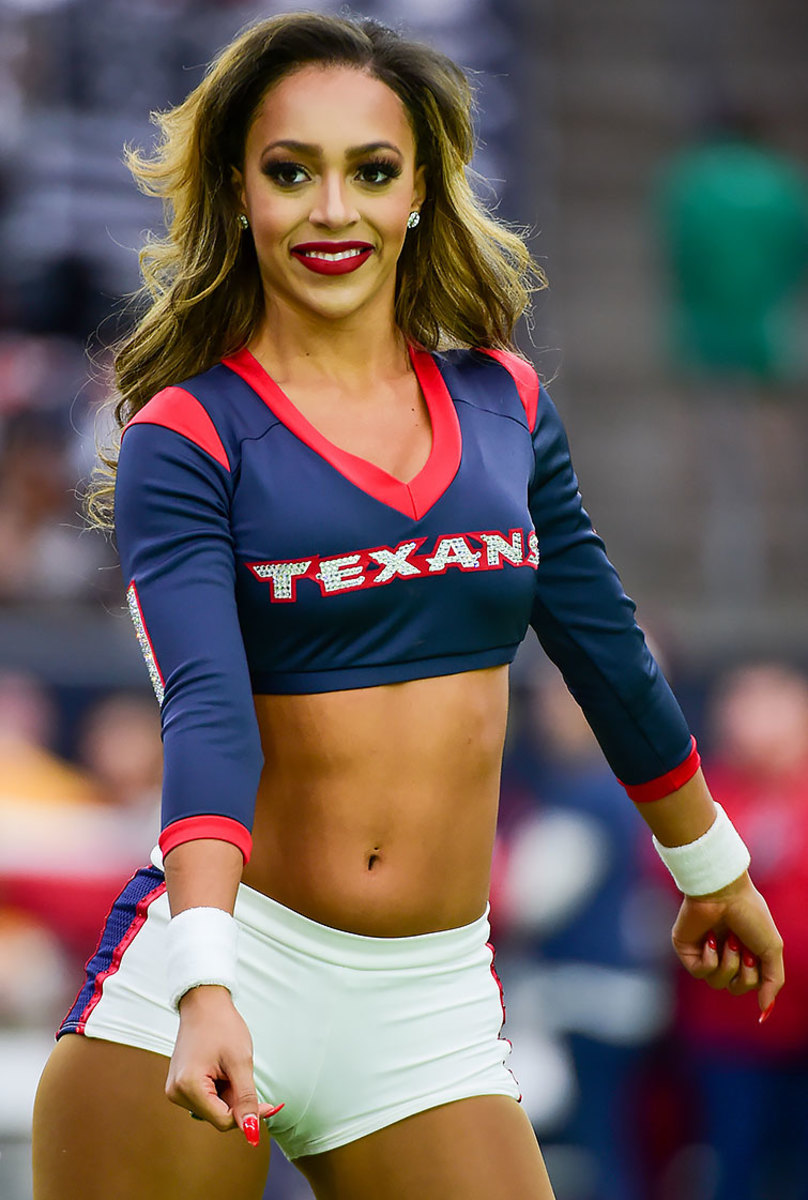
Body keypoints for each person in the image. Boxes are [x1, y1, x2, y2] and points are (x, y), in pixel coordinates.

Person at [32, 13, 784, 1200]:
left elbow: (600, 643)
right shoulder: (190, 431)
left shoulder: (506, 403)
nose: (333, 211)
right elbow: (209, 709)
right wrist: (206, 981)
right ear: (238, 191)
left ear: (422, 189)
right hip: (228, 965)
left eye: (371, 172)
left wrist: (710, 868)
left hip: (430, 1003)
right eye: (291, 172)